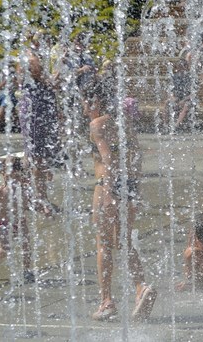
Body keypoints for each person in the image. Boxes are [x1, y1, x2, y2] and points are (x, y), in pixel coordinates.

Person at [83, 77, 156, 322]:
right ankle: (140, 288)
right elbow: (137, 157)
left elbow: (107, 159)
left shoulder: (97, 124)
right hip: (129, 185)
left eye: (85, 99)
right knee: (123, 241)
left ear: (95, 101)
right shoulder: (123, 122)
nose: (83, 105)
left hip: (108, 186)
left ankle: (106, 302)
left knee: (104, 243)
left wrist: (107, 192)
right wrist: (133, 190)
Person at [17, 32, 60, 217]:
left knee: (35, 155)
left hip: (38, 108)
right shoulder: (31, 58)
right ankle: (40, 198)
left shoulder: (32, 57)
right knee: (37, 156)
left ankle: (30, 197)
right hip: (36, 109)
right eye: (47, 40)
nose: (49, 43)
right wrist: (58, 75)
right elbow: (46, 81)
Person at [0, 157, 34, 283]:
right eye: (6, 175)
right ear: (3, 174)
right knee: (6, 248)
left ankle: (27, 271)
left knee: (26, 247)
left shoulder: (25, 189)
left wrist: (43, 208)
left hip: (21, 223)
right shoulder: (1, 190)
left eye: (14, 176)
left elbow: (31, 203)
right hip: (4, 224)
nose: (9, 179)